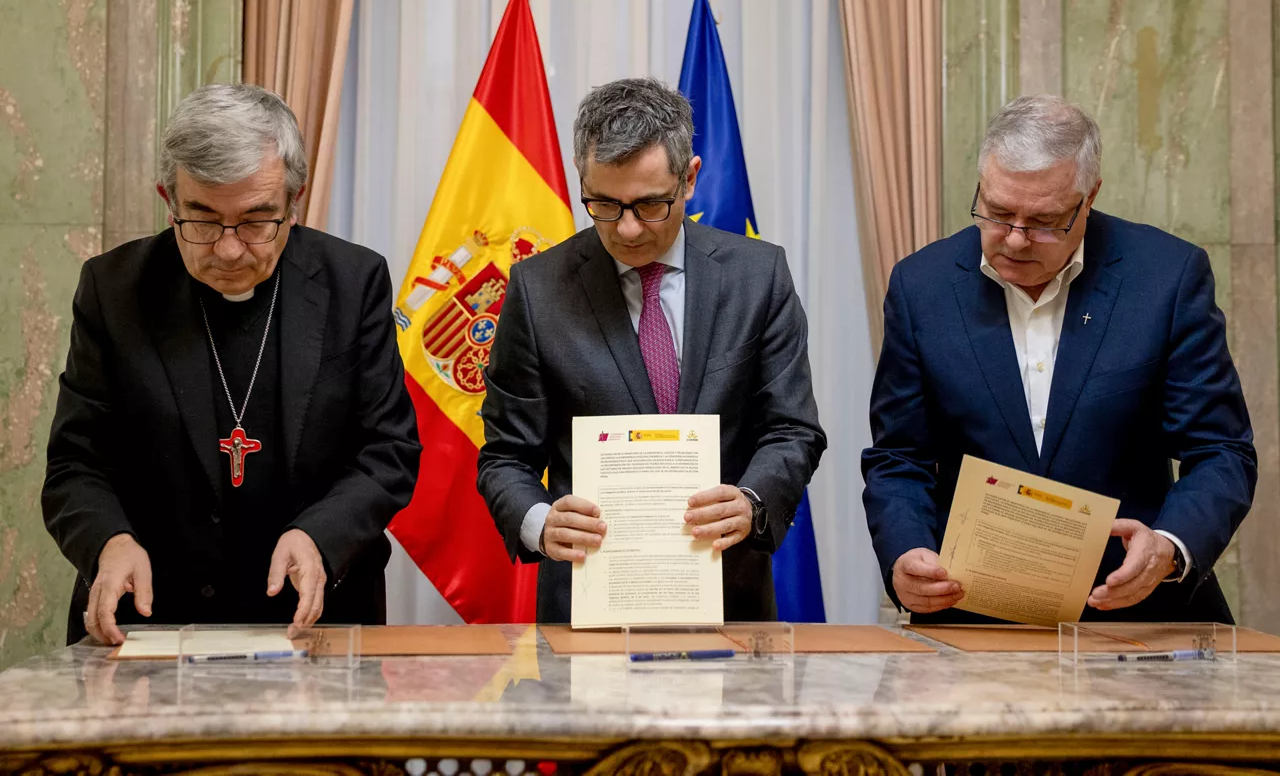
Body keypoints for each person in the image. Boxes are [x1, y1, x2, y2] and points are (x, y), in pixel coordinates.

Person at [43, 83, 421, 645]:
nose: (227, 249)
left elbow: (388, 451)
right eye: (200, 219)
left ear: (294, 203)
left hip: (315, 617)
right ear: (167, 199)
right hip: (151, 621)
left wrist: (320, 535)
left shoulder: (353, 282)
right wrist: (109, 542)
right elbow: (76, 462)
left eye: (254, 221)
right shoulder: (113, 289)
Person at [863, 94, 1255, 624]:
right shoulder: (922, 285)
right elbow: (898, 458)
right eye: (997, 213)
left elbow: (1221, 450)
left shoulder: (1167, 277)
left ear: (1088, 197)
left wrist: (1170, 546)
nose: (1016, 240)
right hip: (975, 612)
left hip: (1136, 609)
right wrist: (905, 551)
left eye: (1045, 221)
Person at [477, 77, 826, 623]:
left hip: (728, 599)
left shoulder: (759, 277)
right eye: (605, 205)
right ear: (581, 180)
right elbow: (506, 456)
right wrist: (539, 520)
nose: (629, 229)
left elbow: (792, 428)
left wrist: (753, 501)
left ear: (689, 179)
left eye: (650, 205)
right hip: (589, 607)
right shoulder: (538, 290)